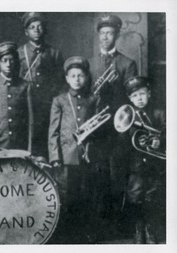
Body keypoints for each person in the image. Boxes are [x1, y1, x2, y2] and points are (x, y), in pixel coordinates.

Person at [88, 14, 138, 224]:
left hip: (119, 127)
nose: (106, 37)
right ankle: (100, 222)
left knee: (118, 172)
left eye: (110, 33)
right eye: (103, 33)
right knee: (98, 173)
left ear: (117, 35)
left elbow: (133, 99)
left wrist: (117, 86)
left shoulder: (127, 63)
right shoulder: (89, 63)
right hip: (97, 128)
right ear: (99, 35)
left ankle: (118, 222)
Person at [48, 56, 102, 243]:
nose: (77, 79)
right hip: (66, 156)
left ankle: (86, 235)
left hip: (87, 156)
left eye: (80, 75)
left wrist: (92, 147)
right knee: (66, 196)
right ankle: (67, 236)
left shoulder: (94, 99)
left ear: (86, 77)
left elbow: (98, 129)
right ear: (67, 79)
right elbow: (53, 131)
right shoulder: (59, 100)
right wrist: (55, 157)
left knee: (87, 195)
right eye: (73, 76)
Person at [122, 76, 165, 243]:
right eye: (134, 96)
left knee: (152, 198)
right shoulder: (127, 116)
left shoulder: (160, 113)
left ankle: (150, 231)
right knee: (135, 198)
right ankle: (138, 232)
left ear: (149, 93)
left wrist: (159, 141)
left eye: (142, 94)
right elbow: (123, 141)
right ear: (129, 99)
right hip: (136, 166)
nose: (139, 99)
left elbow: (168, 131)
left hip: (155, 166)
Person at [18, 12, 65, 159]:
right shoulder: (19, 52)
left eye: (39, 26)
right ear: (26, 32)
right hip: (25, 104)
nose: (36, 30)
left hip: (47, 105)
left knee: (47, 139)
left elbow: (60, 81)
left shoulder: (54, 53)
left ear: (44, 29)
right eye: (32, 27)